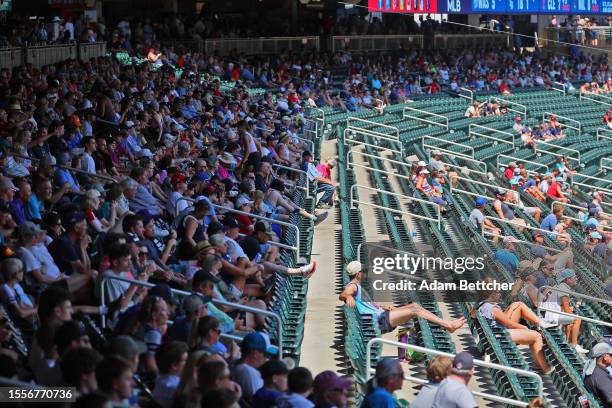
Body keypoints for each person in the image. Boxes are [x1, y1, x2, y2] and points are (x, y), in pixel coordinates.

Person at [339, 261, 465, 334]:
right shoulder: (353, 286)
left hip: (379, 315)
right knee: (415, 311)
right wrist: (347, 296)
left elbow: (363, 303)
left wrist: (381, 306)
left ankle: (448, 325)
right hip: (377, 321)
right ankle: (448, 325)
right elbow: (344, 294)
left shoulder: (356, 285)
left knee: (414, 306)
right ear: (359, 274)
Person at [475, 278, 554, 373]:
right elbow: (509, 324)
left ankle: (540, 323)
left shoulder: (481, 303)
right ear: (491, 293)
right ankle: (544, 367)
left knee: (518, 304)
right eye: (498, 292)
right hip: (500, 335)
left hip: (494, 332)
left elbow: (499, 319)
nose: (500, 294)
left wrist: (511, 308)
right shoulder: (493, 308)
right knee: (536, 336)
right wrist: (525, 329)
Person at [233, 332, 277, 404]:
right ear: (255, 353)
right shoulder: (247, 371)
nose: (266, 359)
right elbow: (261, 401)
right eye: (265, 354)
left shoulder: (237, 364)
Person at [153, 340, 189, 408]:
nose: (187, 363)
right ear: (174, 365)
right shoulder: (173, 387)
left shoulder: (160, 380)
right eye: (185, 360)